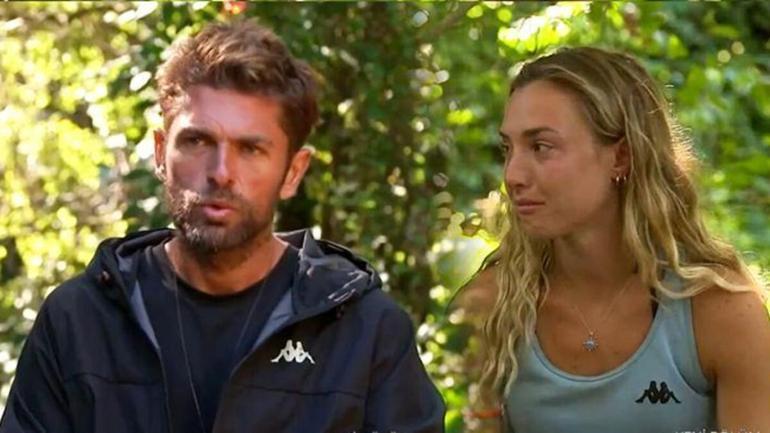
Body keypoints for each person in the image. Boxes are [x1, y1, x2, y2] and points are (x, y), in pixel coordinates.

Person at [0, 20, 445, 433]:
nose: (221, 173)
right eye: (197, 141)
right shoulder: (79, 320)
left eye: (250, 149)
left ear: (293, 171)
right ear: (160, 152)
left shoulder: (365, 333)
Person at [465, 47, 770, 432]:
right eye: (508, 149)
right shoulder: (497, 302)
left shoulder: (718, 310)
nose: (512, 175)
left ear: (621, 157)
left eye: (541, 147)